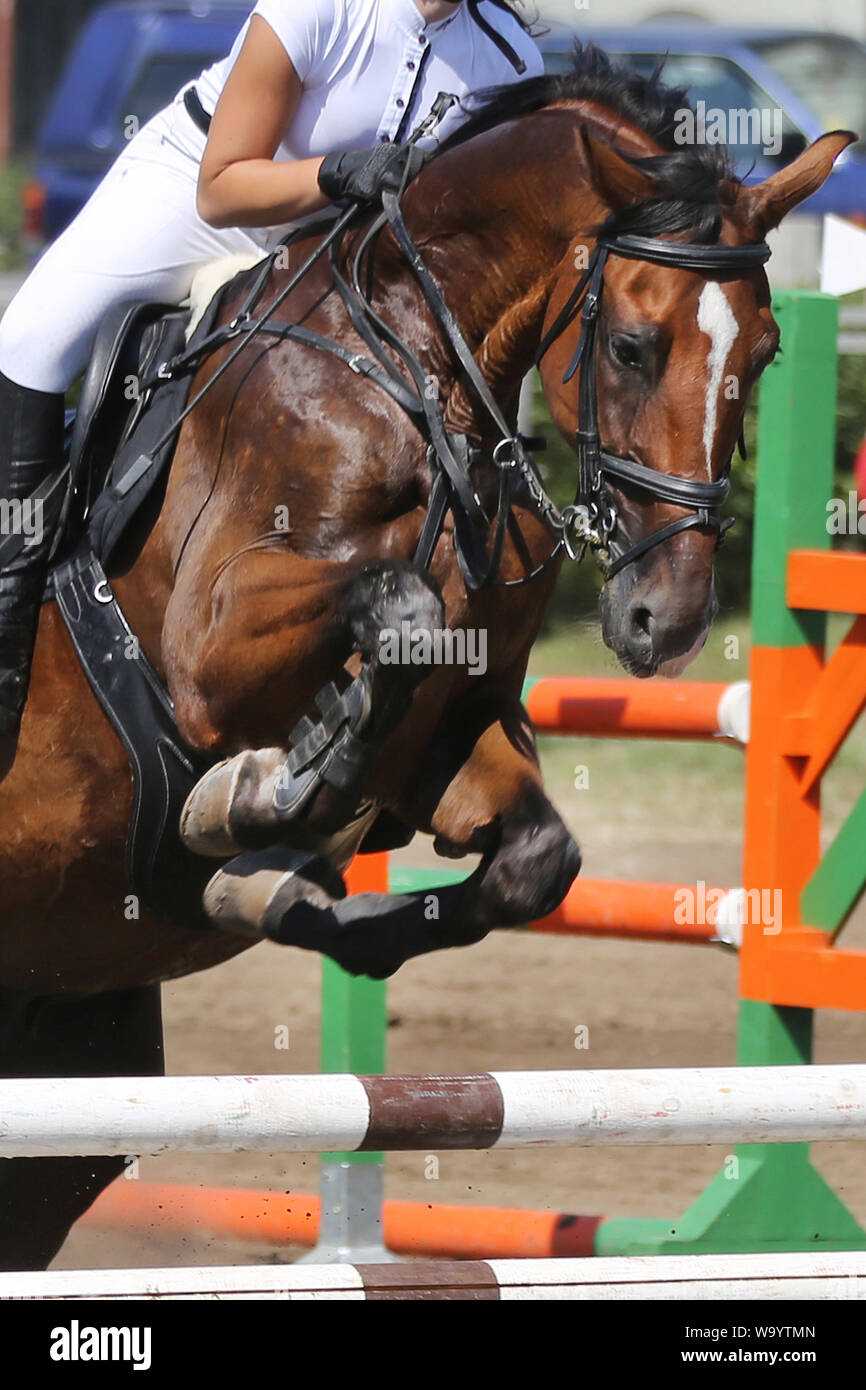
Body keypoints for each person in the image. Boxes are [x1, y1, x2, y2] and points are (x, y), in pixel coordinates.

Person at [0, 0, 542, 736]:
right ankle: (9, 605)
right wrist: (339, 172)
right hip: (193, 193)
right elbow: (222, 184)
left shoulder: (508, 59)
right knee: (29, 341)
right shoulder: (321, 6)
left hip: (330, 247)